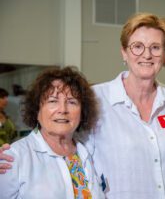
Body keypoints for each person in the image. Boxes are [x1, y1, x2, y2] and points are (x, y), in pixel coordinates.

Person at [0, 13, 165, 199]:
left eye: (156, 47)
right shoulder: (97, 98)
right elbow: (57, 133)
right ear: (124, 52)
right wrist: (16, 155)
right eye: (137, 46)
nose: (147, 55)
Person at [0, 67, 105, 199]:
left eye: (72, 102)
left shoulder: (88, 152)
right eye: (53, 101)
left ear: (82, 111)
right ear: (36, 110)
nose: (63, 109)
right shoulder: (12, 158)